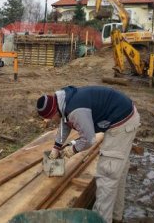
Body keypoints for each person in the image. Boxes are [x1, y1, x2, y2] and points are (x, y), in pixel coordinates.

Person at [36, 85, 140, 223]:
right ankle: (116, 218)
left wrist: (72, 150)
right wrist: (56, 147)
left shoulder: (76, 110)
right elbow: (65, 123)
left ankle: (102, 220)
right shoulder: (64, 100)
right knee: (117, 174)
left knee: (107, 175)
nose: (51, 121)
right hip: (125, 115)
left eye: (50, 118)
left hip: (121, 124)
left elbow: (89, 139)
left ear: (54, 111)